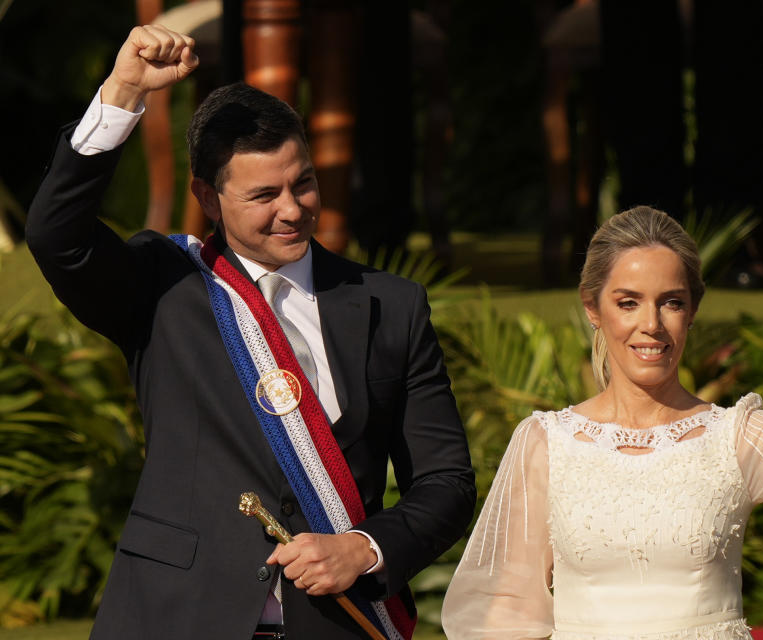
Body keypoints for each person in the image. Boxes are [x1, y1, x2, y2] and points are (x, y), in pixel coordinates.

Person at [26, 25, 475, 640]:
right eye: (264, 194)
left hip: (335, 622)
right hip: (175, 617)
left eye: (304, 183)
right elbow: (57, 235)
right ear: (207, 198)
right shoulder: (161, 288)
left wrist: (366, 548)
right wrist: (124, 90)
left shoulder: (391, 305)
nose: (292, 209)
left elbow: (445, 482)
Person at [441, 197, 763, 639]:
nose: (651, 325)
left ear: (693, 310)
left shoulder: (733, 437)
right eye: (628, 302)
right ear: (593, 308)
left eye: (671, 303)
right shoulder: (545, 443)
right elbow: (500, 613)